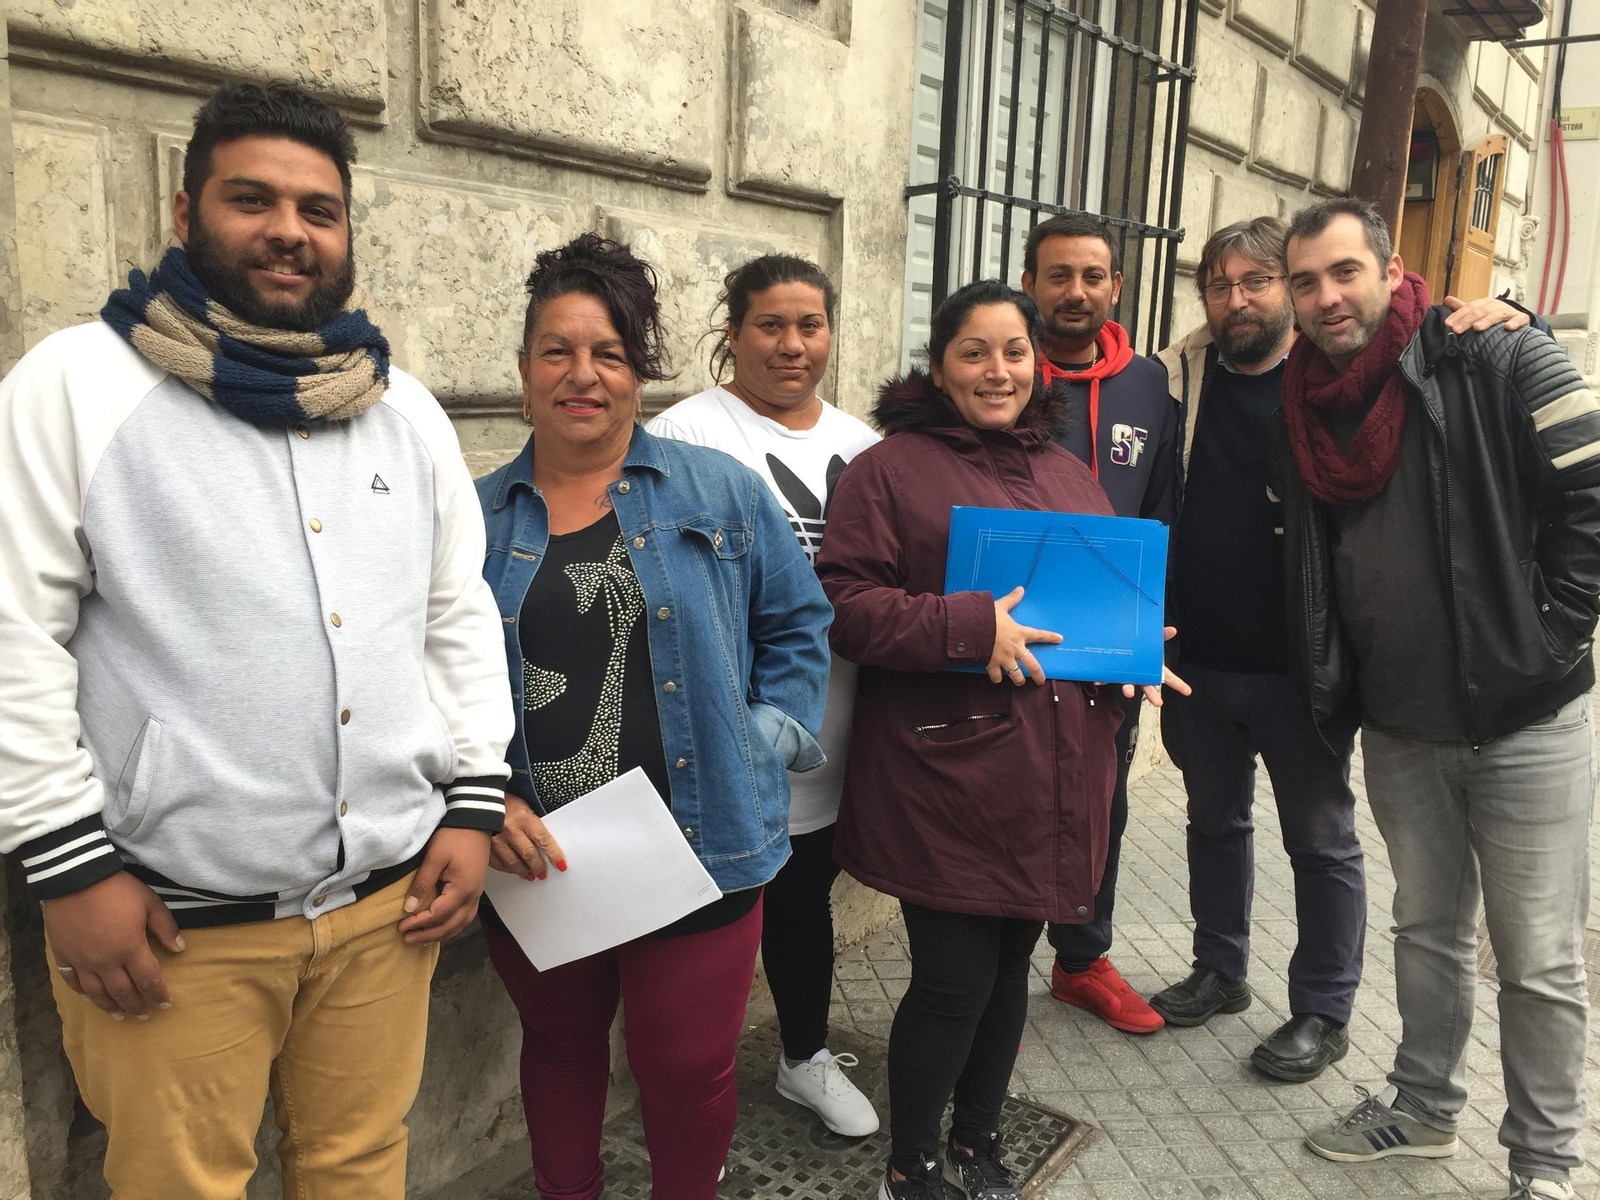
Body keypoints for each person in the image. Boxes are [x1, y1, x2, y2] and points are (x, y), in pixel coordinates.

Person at [0, 83, 513, 1198]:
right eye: (253, 199)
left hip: (388, 910)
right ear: (186, 214)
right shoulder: (73, 389)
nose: (289, 229)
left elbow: (453, 618)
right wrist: (66, 866)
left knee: (362, 1168)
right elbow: (12, 636)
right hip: (173, 929)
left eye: (319, 210)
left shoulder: (400, 410)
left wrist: (473, 804)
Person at [475, 233, 833, 1200]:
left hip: (704, 840)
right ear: (523, 371)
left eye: (610, 354)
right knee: (559, 1051)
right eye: (557, 350)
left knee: (686, 1071)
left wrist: (765, 735)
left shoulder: (716, 490)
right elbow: (434, 680)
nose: (581, 375)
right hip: (540, 853)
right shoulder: (471, 521)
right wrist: (478, 799)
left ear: (640, 372)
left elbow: (799, 618)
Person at [817, 279, 1185, 1200]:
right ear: (939, 365)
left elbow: (1087, 616)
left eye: (1013, 351)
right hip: (948, 775)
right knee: (949, 981)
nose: (997, 370)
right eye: (974, 352)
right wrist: (968, 628)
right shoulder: (889, 470)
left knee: (1012, 966)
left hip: (1056, 771)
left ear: (1037, 362)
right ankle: (913, 1163)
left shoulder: (1067, 473)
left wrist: (1131, 651)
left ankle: (978, 1143)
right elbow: (845, 609)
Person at [1149, 217, 1535, 1080]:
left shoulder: (1328, 379)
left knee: (1319, 841)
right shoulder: (1180, 376)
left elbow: (1431, 359)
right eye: (1220, 285)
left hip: (1302, 668)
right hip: (1195, 663)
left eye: (1256, 281)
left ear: (1290, 289)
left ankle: (1323, 1010)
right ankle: (1221, 968)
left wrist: (1515, 318)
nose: (1237, 299)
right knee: (1213, 821)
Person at [1273, 199, 1597, 1200]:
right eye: (1306, 282)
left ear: (1388, 267)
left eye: (1343, 273)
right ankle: (1420, 1111)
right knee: (1425, 933)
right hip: (1401, 726)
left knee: (1537, 960)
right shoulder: (1303, 404)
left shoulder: (1491, 355)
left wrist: (1547, 635)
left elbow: (1592, 494)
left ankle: (1543, 1168)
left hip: (1524, 721)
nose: (1327, 297)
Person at [647, 254, 880, 1137]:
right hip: (716, 728)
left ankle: (802, 1058)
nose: (792, 345)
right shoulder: (687, 435)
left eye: (809, 326)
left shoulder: (862, 447)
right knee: (698, 913)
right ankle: (679, 1079)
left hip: (830, 725)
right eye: (770, 326)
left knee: (800, 900)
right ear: (732, 331)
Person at [1018, 214, 1178, 1035]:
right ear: (1030, 286)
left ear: (1116, 286)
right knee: (1007, 796)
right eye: (1057, 276)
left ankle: (1082, 960)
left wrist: (1148, 630)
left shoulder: (1151, 386)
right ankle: (997, 953)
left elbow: (1160, 512)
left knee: (1100, 804)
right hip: (1011, 637)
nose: (1074, 292)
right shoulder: (1002, 372)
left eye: (1091, 276)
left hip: (1108, 645)